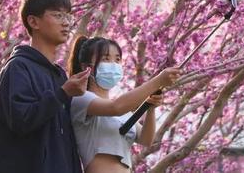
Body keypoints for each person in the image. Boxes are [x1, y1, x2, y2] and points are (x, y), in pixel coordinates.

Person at [0, 0, 91, 173]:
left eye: (68, 16)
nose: (66, 23)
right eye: (57, 15)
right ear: (33, 21)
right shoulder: (18, 68)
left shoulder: (59, 75)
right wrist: (62, 94)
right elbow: (21, 121)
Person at [68, 36, 181, 172]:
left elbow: (146, 139)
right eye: (106, 59)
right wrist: (158, 81)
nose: (113, 64)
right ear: (86, 67)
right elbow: (115, 108)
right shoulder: (82, 99)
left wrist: (151, 108)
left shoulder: (123, 112)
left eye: (117, 59)